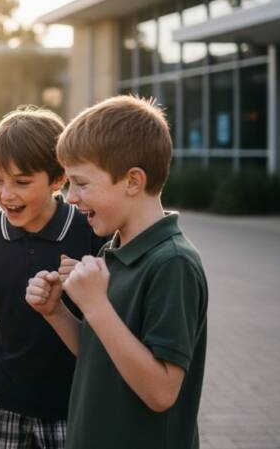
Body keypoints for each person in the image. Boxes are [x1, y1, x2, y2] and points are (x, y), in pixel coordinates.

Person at [26, 95, 208, 449]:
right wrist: (56, 312)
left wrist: (96, 306)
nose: (71, 197)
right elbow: (102, 354)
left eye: (81, 183)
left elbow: (161, 391)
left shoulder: (173, 262)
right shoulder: (115, 251)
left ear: (133, 181)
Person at [0, 107, 108, 449]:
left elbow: (112, 318)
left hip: (72, 403)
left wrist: (87, 283)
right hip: (2, 399)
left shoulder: (90, 229)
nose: (6, 194)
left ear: (58, 179)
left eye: (22, 181)